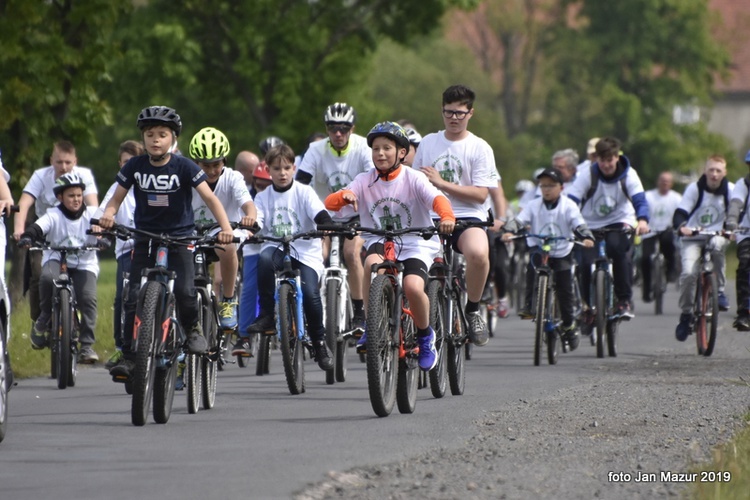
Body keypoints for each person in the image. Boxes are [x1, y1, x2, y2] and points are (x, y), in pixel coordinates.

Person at [97, 105, 235, 381]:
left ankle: (193, 330)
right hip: (146, 236)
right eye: (150, 134)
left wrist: (226, 228)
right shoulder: (135, 166)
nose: (156, 139)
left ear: (173, 139)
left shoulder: (184, 167)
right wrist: (109, 215)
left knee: (185, 291)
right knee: (132, 295)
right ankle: (129, 354)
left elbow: (210, 199)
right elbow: (116, 199)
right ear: (143, 138)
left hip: (181, 237)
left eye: (162, 134)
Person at [325, 121, 455, 371]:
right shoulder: (364, 180)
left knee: (413, 286)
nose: (380, 153)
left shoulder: (413, 178)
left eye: (387, 148)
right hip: (381, 241)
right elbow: (330, 203)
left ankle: (426, 336)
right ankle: (372, 324)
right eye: (376, 149)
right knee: (371, 265)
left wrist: (447, 218)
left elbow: (437, 199)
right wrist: (344, 196)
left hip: (416, 242)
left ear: (402, 153)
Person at [413, 84, 497, 346]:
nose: (453, 118)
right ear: (442, 111)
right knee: (412, 266)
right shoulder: (428, 143)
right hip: (432, 216)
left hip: (467, 216)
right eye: (448, 112)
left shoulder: (479, 147)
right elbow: (415, 184)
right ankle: (411, 322)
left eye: (460, 113)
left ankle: (472, 309)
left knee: (479, 254)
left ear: (471, 113)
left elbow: (481, 195)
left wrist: (441, 183)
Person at [246, 144, 334, 371]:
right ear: (268, 170)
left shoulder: (304, 192)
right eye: (276, 168)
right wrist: (252, 227)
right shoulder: (263, 197)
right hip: (276, 247)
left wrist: (325, 222)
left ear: (294, 168)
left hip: (305, 252)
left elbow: (318, 212)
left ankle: (319, 341)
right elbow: (259, 220)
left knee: (311, 294)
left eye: (286, 168)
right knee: (264, 260)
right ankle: (266, 313)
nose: (282, 173)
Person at [296, 102, 374, 332]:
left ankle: (359, 311)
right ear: (327, 129)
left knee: (351, 254)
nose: (338, 134)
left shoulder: (363, 148)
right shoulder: (316, 149)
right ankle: (314, 308)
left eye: (344, 128)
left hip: (356, 214)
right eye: (332, 128)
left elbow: (373, 179)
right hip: (324, 215)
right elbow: (300, 183)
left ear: (353, 128)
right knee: (318, 255)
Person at [502, 168, 595, 348]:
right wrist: (508, 231)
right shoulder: (533, 205)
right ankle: (530, 304)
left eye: (551, 185)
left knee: (564, 289)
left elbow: (579, 223)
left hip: (561, 250)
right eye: (543, 185)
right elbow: (519, 221)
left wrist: (587, 237)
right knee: (532, 265)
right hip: (540, 247)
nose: (546, 189)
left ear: (561, 187)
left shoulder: (568, 205)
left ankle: (568, 325)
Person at [13, 141, 98, 327]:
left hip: (76, 233)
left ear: (75, 161)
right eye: (59, 162)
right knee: (39, 274)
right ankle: (41, 318)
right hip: (45, 232)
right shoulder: (41, 176)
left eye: (68, 162)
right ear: (52, 161)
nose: (64, 167)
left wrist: (98, 229)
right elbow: (24, 203)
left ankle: (73, 317)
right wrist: (19, 229)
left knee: (83, 282)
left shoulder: (83, 176)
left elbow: (93, 206)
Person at [18, 173, 102, 363]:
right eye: (71, 196)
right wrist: (28, 236)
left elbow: (105, 229)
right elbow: (38, 228)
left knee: (88, 299)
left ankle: (87, 346)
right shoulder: (53, 214)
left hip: (84, 263)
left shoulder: (92, 214)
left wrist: (104, 236)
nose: (76, 199)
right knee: (47, 278)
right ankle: (44, 316)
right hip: (56, 258)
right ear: (60, 197)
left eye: (79, 195)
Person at [566, 137, 650, 321]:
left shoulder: (629, 174)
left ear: (617, 157)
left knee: (619, 251)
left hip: (619, 221)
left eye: (609, 160)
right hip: (590, 224)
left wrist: (642, 220)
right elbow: (572, 201)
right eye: (602, 160)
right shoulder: (588, 174)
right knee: (585, 263)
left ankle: (623, 301)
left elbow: (640, 200)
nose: (606, 165)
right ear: (597, 160)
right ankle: (587, 305)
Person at [189, 127, 257, 330]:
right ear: (195, 164)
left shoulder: (233, 178)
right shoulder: (187, 178)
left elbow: (247, 204)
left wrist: (250, 218)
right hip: (194, 233)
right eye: (205, 165)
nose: (211, 171)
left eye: (216, 165)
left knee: (226, 246)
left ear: (224, 161)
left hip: (227, 231)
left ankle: (228, 299)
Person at [672, 155, 733, 341]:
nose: (714, 174)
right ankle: (686, 314)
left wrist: (731, 230)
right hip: (693, 237)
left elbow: (738, 212)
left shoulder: (730, 190)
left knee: (716, 247)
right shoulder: (695, 189)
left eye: (718, 171)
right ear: (705, 171)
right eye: (711, 170)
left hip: (717, 235)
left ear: (725, 173)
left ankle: (719, 291)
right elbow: (681, 212)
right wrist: (682, 227)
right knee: (689, 273)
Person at [97, 140, 143, 370]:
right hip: (127, 250)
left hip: (150, 247)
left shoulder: (149, 184)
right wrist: (101, 223)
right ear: (120, 164)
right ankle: (120, 347)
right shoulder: (118, 186)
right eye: (126, 163)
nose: (130, 168)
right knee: (122, 296)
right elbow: (104, 209)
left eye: (134, 162)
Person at [640, 171, 682, 302]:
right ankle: (647, 288)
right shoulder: (648, 196)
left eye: (667, 181)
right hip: (650, 231)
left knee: (669, 245)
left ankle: (670, 271)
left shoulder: (676, 198)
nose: (664, 183)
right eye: (662, 180)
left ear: (671, 184)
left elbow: (681, 214)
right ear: (658, 182)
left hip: (667, 230)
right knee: (645, 258)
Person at [726, 150, 750, 331]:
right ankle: (744, 312)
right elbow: (736, 203)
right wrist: (732, 221)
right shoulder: (743, 184)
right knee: (745, 263)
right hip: (746, 231)